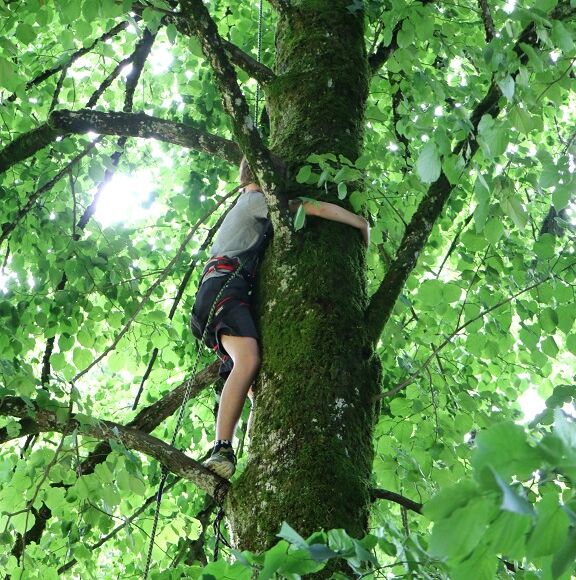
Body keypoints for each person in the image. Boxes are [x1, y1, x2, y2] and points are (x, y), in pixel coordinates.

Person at [192, 158, 370, 479]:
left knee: (252, 380)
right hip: (223, 288)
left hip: (218, 292)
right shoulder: (254, 201)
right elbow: (310, 208)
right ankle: (221, 445)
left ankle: (234, 446)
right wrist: (360, 223)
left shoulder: (245, 207)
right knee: (248, 362)